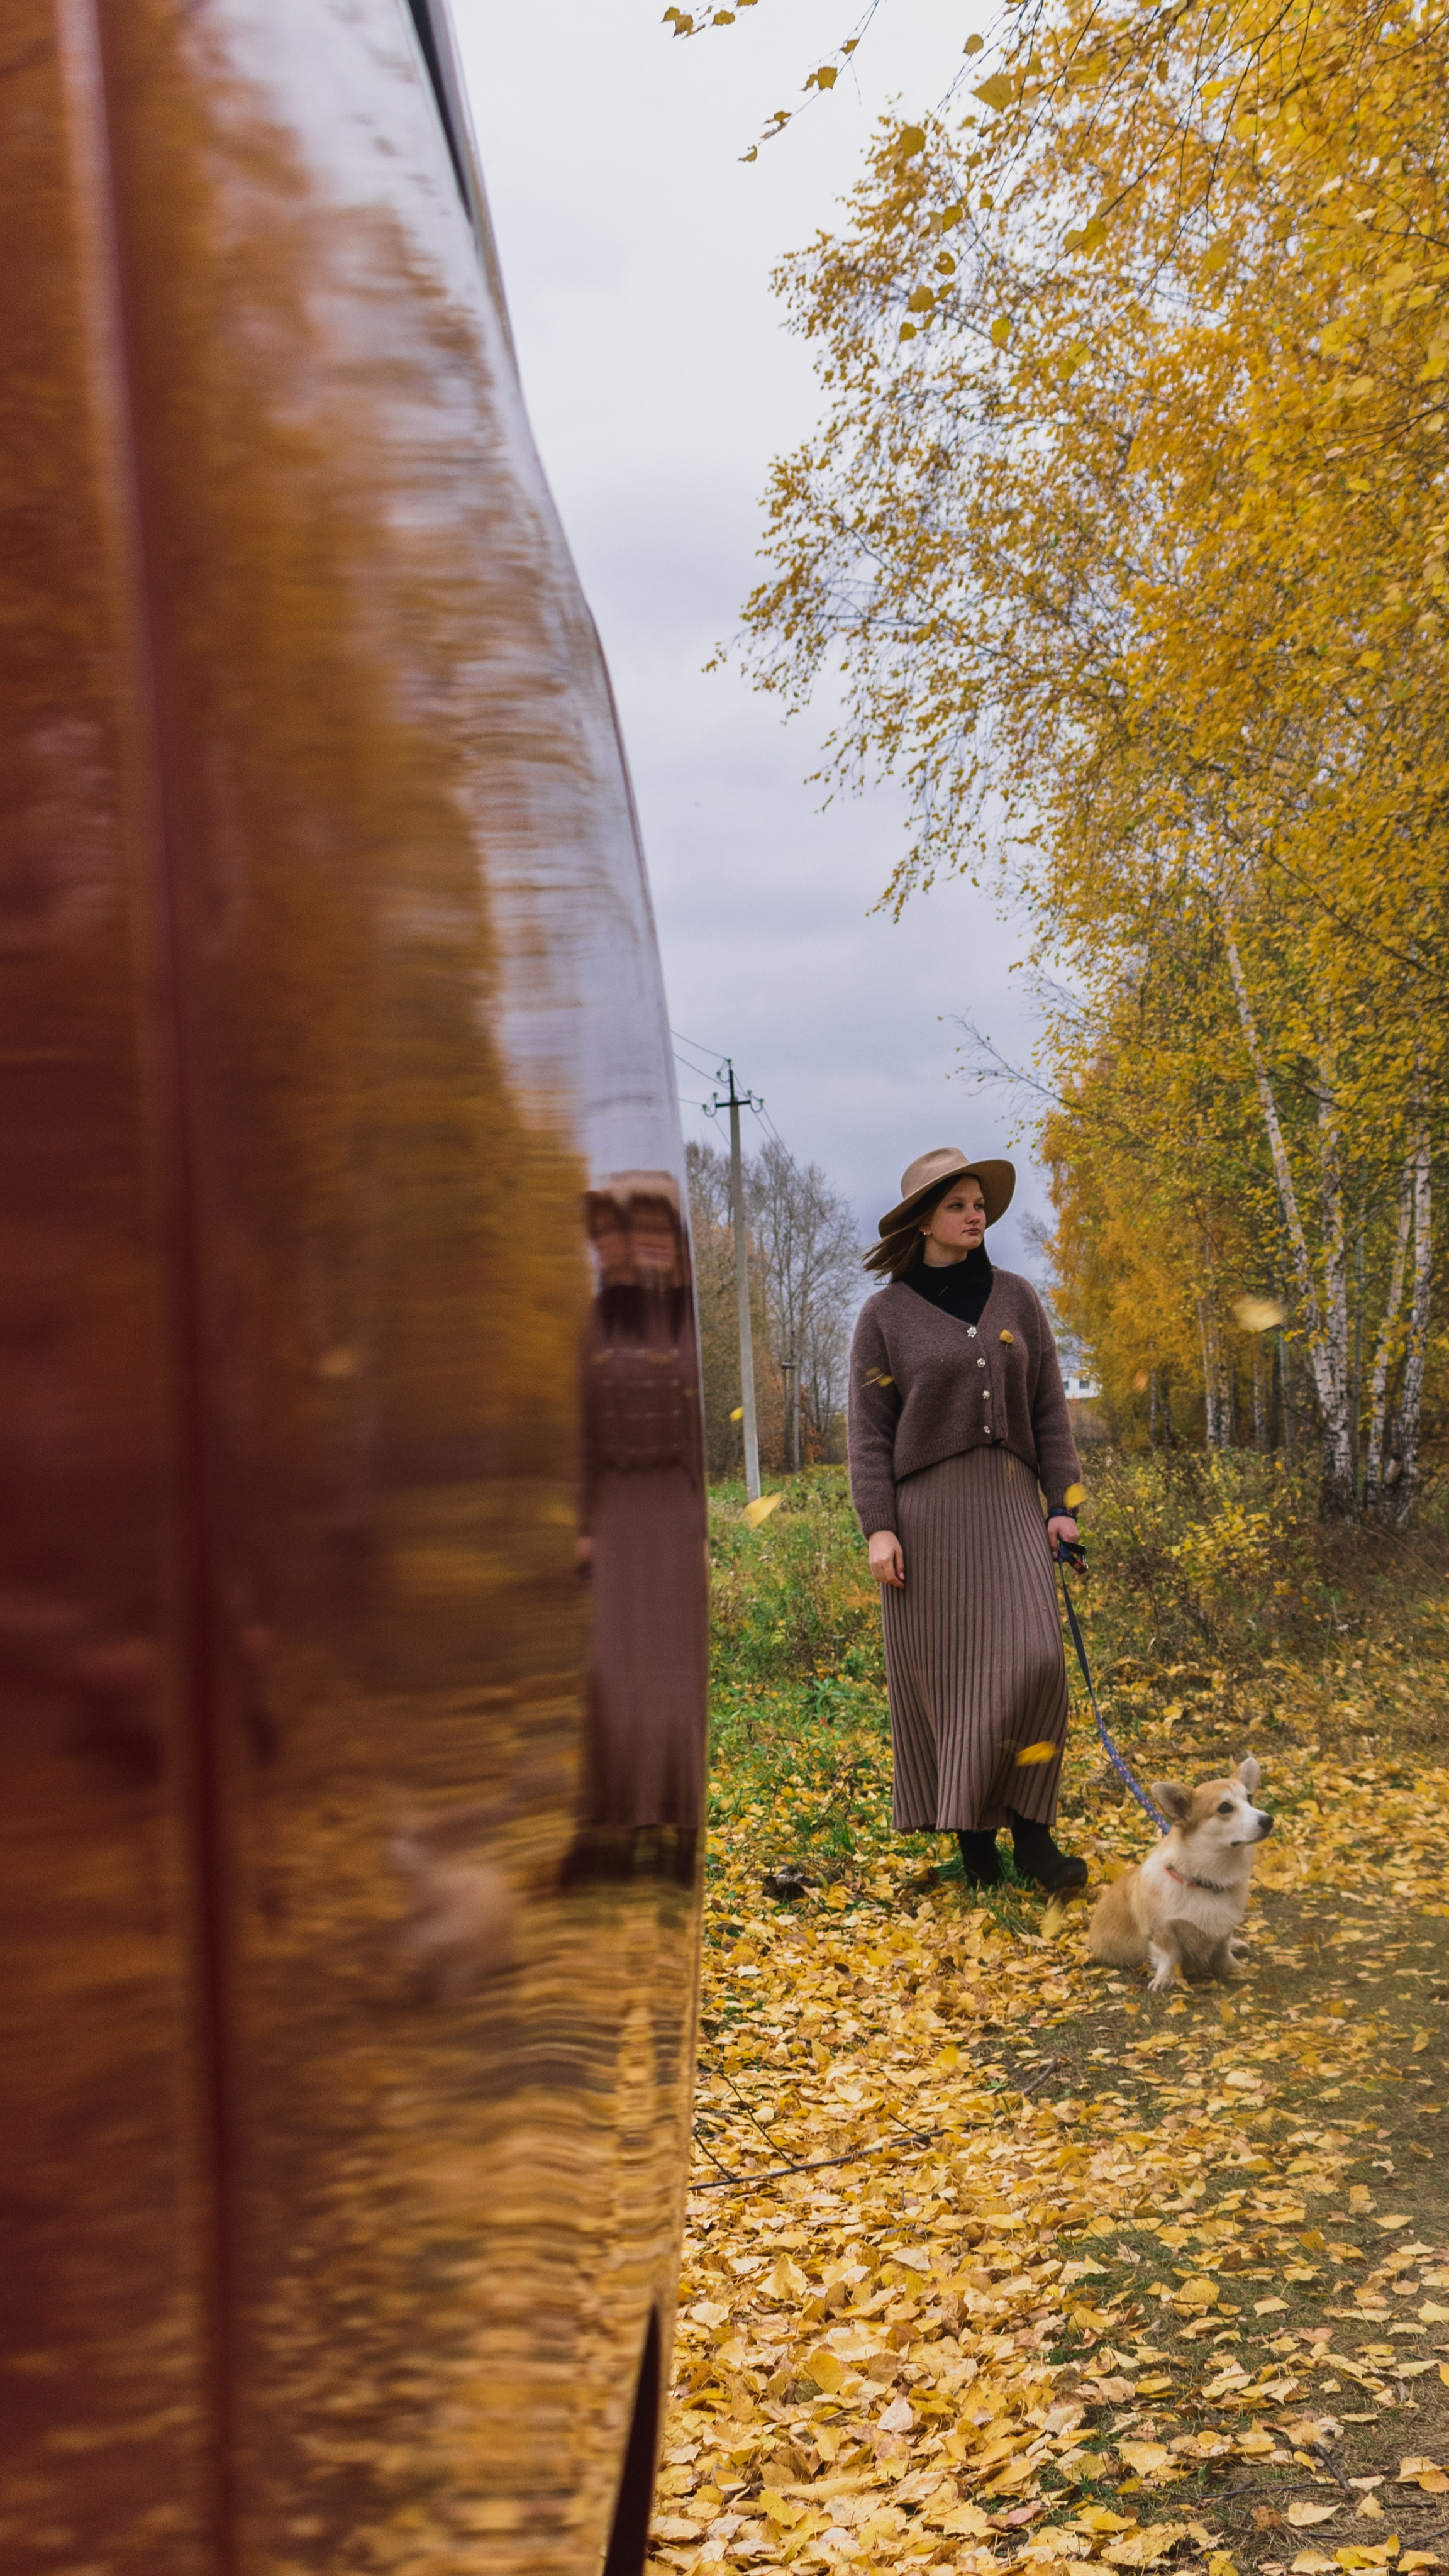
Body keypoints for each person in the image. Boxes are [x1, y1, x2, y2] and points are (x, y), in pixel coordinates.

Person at [847, 1146, 1087, 1893]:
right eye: (957, 1204)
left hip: (1012, 1503)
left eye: (980, 1202)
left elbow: (1049, 1408)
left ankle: (1034, 1834)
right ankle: (977, 1847)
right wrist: (878, 1526)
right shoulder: (884, 1315)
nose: (975, 1214)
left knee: (1036, 1664)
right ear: (924, 1220)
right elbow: (868, 1430)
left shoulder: (1016, 1296)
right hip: (927, 1520)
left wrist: (1062, 1505)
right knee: (954, 1683)